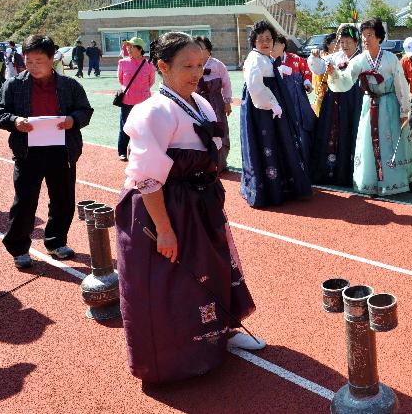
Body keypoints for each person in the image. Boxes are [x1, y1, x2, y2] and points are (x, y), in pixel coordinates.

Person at [115, 31, 262, 384]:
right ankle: (174, 356)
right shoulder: (153, 111)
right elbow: (146, 178)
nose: (196, 73)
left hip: (198, 204)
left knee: (211, 268)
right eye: (187, 66)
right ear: (162, 67)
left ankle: (222, 331)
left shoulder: (201, 103)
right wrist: (164, 229)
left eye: (200, 65)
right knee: (171, 281)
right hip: (164, 208)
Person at [0, 35, 93, 269]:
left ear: (52, 59)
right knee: (25, 202)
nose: (33, 66)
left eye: (39, 60)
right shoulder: (14, 85)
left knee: (63, 200)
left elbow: (85, 111)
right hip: (27, 153)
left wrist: (73, 120)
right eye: (29, 61)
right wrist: (15, 121)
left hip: (62, 152)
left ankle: (56, 242)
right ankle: (18, 248)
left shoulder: (70, 85)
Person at [326, 18, 412, 196]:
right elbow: (345, 80)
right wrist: (334, 73)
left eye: (370, 35)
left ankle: (401, 180)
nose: (366, 39)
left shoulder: (390, 59)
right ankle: (371, 182)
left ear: (380, 37)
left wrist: (404, 110)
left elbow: (401, 85)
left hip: (389, 104)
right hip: (369, 104)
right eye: (364, 36)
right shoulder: (359, 60)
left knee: (392, 142)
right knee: (368, 143)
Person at [239, 20, 312, 207]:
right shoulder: (254, 58)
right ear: (253, 41)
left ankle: (281, 186)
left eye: (268, 39)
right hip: (263, 111)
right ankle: (270, 189)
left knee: (279, 141)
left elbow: (270, 75)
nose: (265, 42)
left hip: (272, 109)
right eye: (260, 39)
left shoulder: (264, 58)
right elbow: (255, 87)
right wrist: (272, 104)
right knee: (267, 143)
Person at [308, 25, 363, 186]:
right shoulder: (335, 56)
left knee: (352, 131)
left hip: (355, 100)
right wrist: (315, 58)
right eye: (342, 42)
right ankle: (330, 172)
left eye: (348, 42)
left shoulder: (362, 58)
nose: (344, 45)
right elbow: (318, 69)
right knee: (331, 132)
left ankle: (351, 173)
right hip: (334, 101)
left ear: (356, 42)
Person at [271, 34, 316, 163]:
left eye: (276, 44)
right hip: (276, 103)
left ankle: (304, 162)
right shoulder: (267, 60)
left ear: (283, 45)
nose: (272, 47)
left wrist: (307, 83)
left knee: (301, 130)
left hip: (297, 102)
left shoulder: (296, 59)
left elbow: (307, 72)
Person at [195, 36, 233, 173]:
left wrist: (227, 102)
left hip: (216, 103)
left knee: (220, 131)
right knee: (200, 132)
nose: (197, 50)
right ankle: (204, 164)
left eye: (200, 47)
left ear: (208, 50)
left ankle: (221, 163)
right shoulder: (192, 64)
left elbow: (226, 84)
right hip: (198, 103)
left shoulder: (217, 65)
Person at [117, 37, 156, 161]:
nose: (128, 48)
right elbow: (121, 80)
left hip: (144, 102)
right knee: (125, 127)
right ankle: (122, 151)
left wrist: (142, 91)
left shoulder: (149, 64)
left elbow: (151, 81)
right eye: (128, 46)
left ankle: (137, 150)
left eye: (131, 46)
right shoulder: (122, 63)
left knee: (144, 127)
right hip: (127, 100)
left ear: (140, 49)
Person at [312, 33, 338, 116]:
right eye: (335, 42)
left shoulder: (341, 56)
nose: (338, 44)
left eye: (339, 41)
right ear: (328, 44)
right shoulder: (322, 56)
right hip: (324, 90)